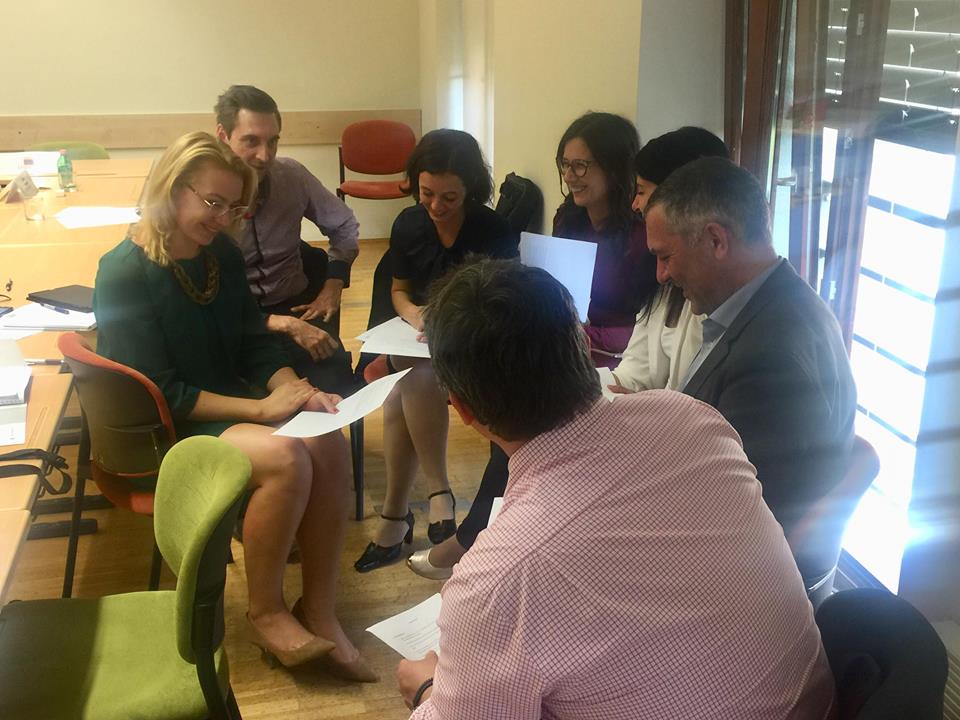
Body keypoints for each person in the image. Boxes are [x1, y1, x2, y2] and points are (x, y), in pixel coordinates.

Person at [395, 258, 836, 719]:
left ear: (462, 409)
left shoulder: (501, 577)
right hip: (824, 703)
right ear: (584, 346)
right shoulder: (690, 418)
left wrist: (427, 689)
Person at [93, 132, 375, 682]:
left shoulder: (218, 252)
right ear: (173, 188)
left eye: (234, 207)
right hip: (169, 428)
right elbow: (160, 391)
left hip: (230, 406)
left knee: (326, 438)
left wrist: (298, 390)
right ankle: (265, 613)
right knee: (285, 459)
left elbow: (252, 341)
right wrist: (264, 410)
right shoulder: (124, 270)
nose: (223, 218)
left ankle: (318, 608)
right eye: (212, 202)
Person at [644, 156, 857, 582]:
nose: (661, 274)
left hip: (739, 582)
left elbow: (724, 517)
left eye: (666, 256)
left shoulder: (771, 361)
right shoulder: (782, 302)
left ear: (716, 240)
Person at [354, 129, 518, 574]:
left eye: (449, 197)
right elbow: (399, 291)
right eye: (426, 193)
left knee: (404, 388)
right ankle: (433, 498)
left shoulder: (492, 229)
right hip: (420, 339)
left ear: (470, 190)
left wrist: (451, 323)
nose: (435, 206)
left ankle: (399, 515)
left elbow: (502, 301)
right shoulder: (410, 224)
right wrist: (416, 315)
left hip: (474, 343)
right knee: (412, 376)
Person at [215, 85, 359, 394]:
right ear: (223, 136)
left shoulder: (291, 176)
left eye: (273, 141)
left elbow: (344, 224)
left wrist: (334, 283)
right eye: (251, 141)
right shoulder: (209, 197)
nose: (264, 155)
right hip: (236, 320)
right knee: (257, 397)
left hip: (295, 305)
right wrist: (282, 325)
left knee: (337, 387)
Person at [610, 126, 728, 393]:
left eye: (641, 191)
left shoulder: (718, 293)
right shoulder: (660, 275)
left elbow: (694, 402)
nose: (635, 205)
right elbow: (634, 372)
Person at [553, 111, 657, 367]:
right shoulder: (567, 219)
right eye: (565, 164)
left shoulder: (643, 234)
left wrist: (584, 336)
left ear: (613, 169)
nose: (568, 176)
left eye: (580, 165)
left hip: (620, 360)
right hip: (566, 349)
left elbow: (648, 328)